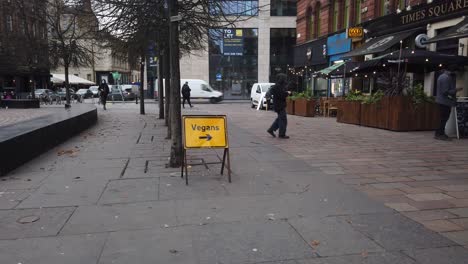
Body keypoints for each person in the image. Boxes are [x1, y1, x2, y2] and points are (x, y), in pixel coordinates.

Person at [435, 65, 459, 141]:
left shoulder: (441, 76)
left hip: (442, 101)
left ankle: (439, 133)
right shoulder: (446, 78)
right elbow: (445, 91)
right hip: (444, 101)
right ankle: (440, 134)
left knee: (443, 118)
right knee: (444, 118)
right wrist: (456, 90)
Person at [267, 73, 290, 139]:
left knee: (280, 119)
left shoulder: (277, 86)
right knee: (283, 120)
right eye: (284, 78)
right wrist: (287, 93)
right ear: (282, 79)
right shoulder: (278, 86)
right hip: (279, 105)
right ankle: (282, 134)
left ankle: (271, 129)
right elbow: (281, 95)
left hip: (278, 105)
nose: (285, 80)